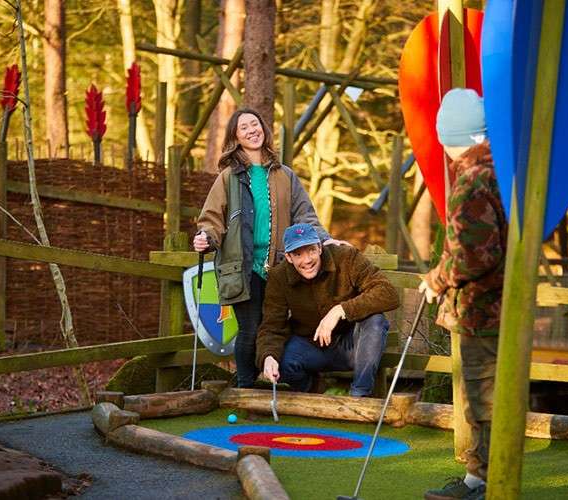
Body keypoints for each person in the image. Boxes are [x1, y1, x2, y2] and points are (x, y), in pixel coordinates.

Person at [194, 108, 345, 388]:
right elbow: (211, 219)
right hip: (242, 267)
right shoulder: (228, 177)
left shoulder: (285, 175)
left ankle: (278, 385)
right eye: (243, 127)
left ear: (263, 129)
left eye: (255, 124)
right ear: (236, 138)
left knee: (276, 328)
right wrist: (206, 238)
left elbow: (305, 215)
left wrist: (324, 239)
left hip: (279, 267)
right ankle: (245, 389)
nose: (252, 130)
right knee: (250, 329)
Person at [419, 88, 508, 500]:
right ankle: (482, 479)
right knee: (486, 395)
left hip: (482, 309)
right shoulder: (500, 168)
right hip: (497, 307)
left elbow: (475, 255)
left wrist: (437, 279)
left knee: (482, 397)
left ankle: (483, 484)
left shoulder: (472, 180)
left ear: (452, 135)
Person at [256, 223, 400, 397]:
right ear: (288, 257)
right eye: (298, 254)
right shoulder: (279, 277)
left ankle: (359, 395)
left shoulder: (346, 257)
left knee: (376, 321)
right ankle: (314, 392)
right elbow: (272, 326)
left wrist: (341, 310)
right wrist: (268, 356)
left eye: (311, 250)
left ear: (320, 247)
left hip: (353, 345)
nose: (307, 260)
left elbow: (388, 293)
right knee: (281, 360)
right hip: (310, 346)